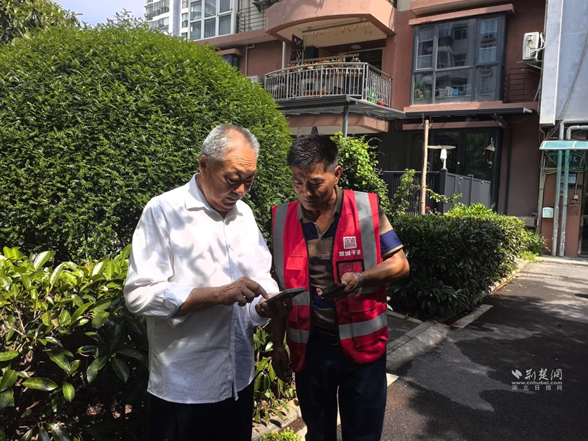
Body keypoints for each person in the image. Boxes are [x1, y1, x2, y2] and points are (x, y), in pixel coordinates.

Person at [124, 124, 288, 441]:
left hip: (238, 381)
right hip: (184, 388)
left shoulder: (244, 216)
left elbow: (258, 279)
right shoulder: (164, 211)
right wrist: (218, 294)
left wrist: (265, 305)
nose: (241, 190)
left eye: (249, 181)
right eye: (232, 179)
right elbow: (139, 294)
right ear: (204, 165)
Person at [271, 135, 410, 441]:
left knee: (362, 435)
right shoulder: (282, 219)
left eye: (315, 183)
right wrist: (278, 344)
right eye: (297, 182)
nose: (305, 193)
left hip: (363, 349)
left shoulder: (365, 209)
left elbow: (400, 264)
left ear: (336, 174)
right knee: (318, 434)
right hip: (310, 349)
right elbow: (281, 291)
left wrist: (361, 278)